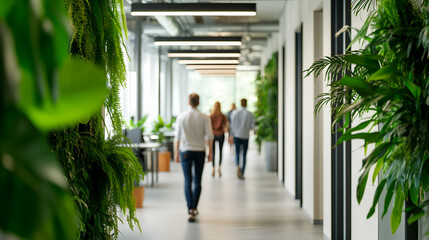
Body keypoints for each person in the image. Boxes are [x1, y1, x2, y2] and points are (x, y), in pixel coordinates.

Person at [174, 93, 214, 222]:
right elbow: (209, 136)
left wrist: (176, 153)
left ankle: (190, 208)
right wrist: (211, 152)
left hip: (185, 151)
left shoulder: (181, 117)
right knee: (197, 180)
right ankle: (194, 207)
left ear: (188, 102)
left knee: (187, 180)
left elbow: (177, 137)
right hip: (199, 151)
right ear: (199, 102)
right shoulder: (204, 117)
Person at [229, 99, 254, 180]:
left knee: (237, 153)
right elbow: (252, 126)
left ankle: (238, 166)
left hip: (237, 136)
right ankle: (242, 172)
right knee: (244, 155)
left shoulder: (235, 113)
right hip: (245, 136)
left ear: (240, 104)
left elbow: (232, 126)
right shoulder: (250, 114)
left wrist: (231, 135)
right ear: (246, 104)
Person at [209, 102, 228, 177]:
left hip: (213, 135)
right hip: (221, 134)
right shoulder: (222, 116)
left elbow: (208, 126)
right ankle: (219, 167)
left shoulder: (211, 115)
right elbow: (226, 125)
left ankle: (213, 168)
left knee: (213, 152)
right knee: (220, 151)